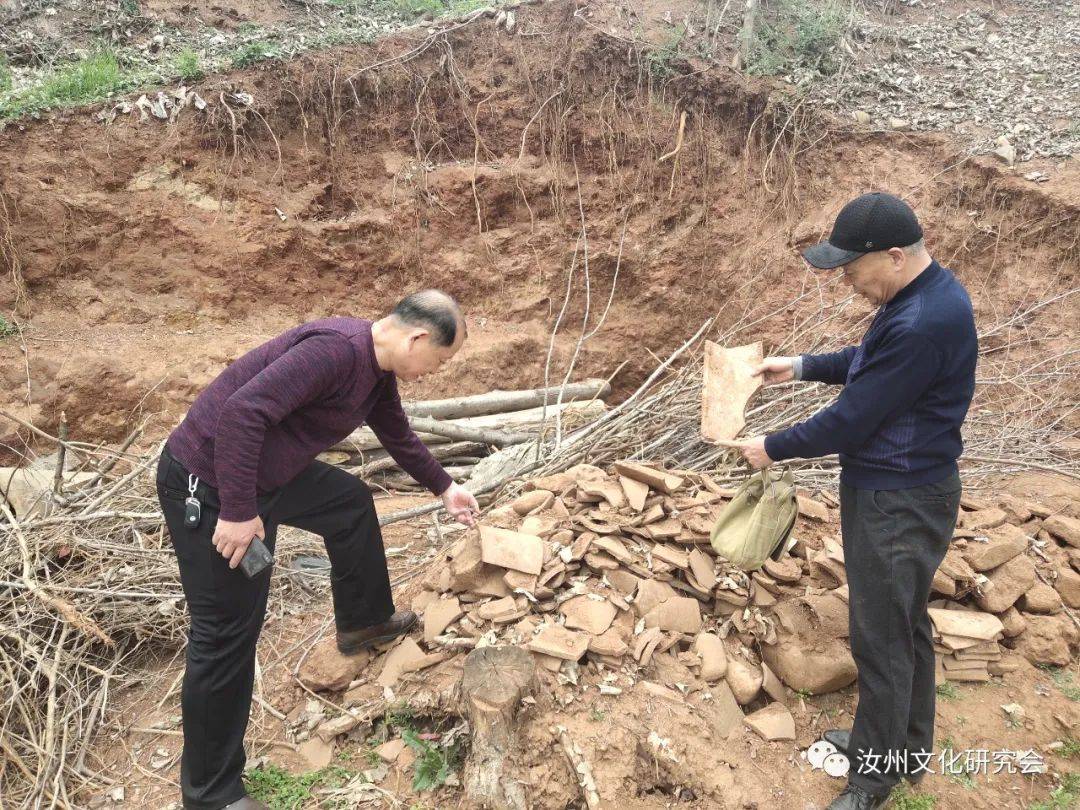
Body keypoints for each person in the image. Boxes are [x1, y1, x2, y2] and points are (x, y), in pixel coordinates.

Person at [156, 290, 480, 810]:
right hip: (210, 482)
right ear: (417, 337)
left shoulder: (375, 372)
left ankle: (364, 620)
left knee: (349, 502)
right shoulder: (335, 351)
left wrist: (444, 487)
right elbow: (242, 414)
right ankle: (210, 794)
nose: (435, 371)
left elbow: (395, 432)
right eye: (439, 360)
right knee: (226, 634)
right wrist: (239, 512)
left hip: (265, 473)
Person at [725, 193, 977, 810]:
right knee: (903, 623)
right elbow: (871, 366)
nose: (845, 279)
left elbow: (852, 419)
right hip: (903, 489)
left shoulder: (920, 321)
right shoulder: (922, 298)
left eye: (851, 267)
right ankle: (904, 748)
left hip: (899, 498)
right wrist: (804, 365)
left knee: (882, 637)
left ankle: (873, 779)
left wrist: (771, 447)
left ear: (892, 256)